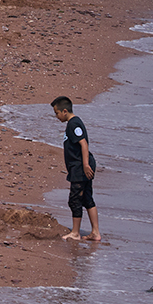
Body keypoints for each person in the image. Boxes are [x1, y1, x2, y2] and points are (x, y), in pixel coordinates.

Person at [52, 96, 101, 244]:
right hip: (79, 167)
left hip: (80, 167)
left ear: (65, 111)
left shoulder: (74, 124)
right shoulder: (73, 123)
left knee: (75, 200)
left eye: (57, 113)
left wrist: (85, 165)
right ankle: (95, 233)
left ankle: (75, 233)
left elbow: (84, 144)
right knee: (86, 198)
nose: (56, 116)